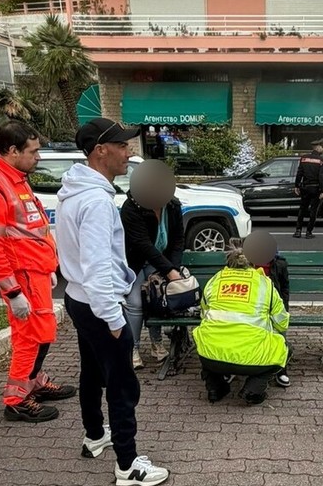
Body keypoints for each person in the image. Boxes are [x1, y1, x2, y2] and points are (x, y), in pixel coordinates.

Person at [57, 118, 169, 486]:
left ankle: (94, 436)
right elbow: (97, 266)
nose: (129, 151)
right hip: (98, 305)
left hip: (78, 299)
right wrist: (114, 318)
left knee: (92, 372)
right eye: (122, 145)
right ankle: (127, 464)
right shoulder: (95, 202)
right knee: (122, 385)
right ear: (100, 151)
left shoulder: (75, 191)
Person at [0, 121, 75, 423]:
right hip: (21, 276)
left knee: (42, 334)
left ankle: (34, 383)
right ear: (13, 150)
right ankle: (16, 400)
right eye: (33, 151)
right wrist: (12, 291)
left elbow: (30, 228)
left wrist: (48, 265)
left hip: (34, 271)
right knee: (30, 337)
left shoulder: (13, 177)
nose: (38, 157)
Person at [194, 243, 289, 405]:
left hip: (211, 355)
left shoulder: (215, 280)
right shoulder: (264, 284)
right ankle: (253, 390)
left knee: (205, 338)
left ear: (228, 263)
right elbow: (282, 322)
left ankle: (214, 388)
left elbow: (204, 314)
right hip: (252, 358)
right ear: (253, 263)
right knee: (284, 348)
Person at [120, 166, 184, 369]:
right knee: (136, 303)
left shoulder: (173, 206)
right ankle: (133, 348)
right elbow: (143, 245)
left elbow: (178, 240)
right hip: (135, 263)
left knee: (157, 298)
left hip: (161, 262)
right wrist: (169, 271)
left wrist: (173, 268)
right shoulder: (131, 208)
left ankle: (157, 344)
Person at [260, 248, 291, 387]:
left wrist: (283, 309)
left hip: (274, 305)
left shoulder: (279, 264)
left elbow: (284, 288)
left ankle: (281, 369)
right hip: (254, 306)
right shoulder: (245, 263)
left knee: (279, 333)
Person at [293, 139, 323, 238]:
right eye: (322, 147)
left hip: (305, 188)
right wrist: (322, 190)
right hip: (315, 188)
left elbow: (299, 173)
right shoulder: (321, 160)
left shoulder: (304, 158)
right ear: (318, 147)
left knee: (302, 209)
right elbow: (321, 176)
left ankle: (298, 231)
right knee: (313, 210)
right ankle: (308, 232)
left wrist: (296, 185)